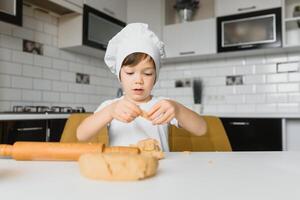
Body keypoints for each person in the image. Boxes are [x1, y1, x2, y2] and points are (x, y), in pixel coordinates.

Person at [77, 23, 207, 151]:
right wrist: (109, 112)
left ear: (155, 76)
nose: (138, 80)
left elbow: (201, 129)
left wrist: (178, 109)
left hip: (159, 168)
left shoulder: (163, 106)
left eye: (147, 73)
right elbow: (81, 135)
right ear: (119, 75)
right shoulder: (112, 107)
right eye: (130, 73)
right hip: (121, 169)